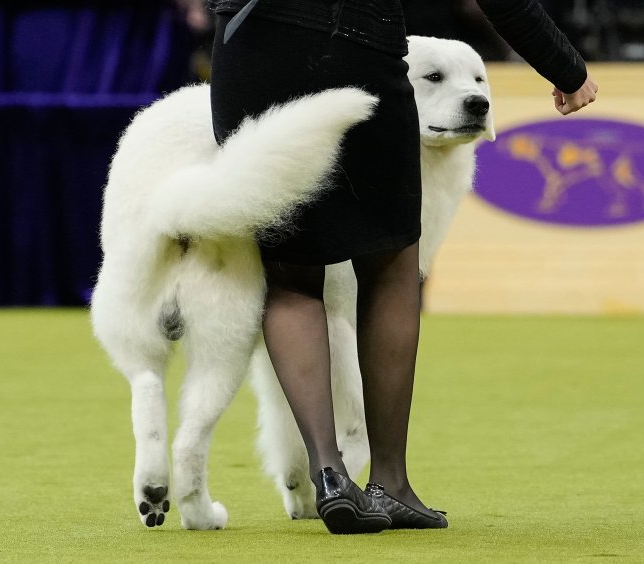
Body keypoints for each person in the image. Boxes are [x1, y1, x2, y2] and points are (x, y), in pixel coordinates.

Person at [207, 0, 597, 534]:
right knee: (390, 267)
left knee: (290, 276)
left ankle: (329, 472)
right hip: (355, 42)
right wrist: (564, 66)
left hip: (246, 50)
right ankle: (389, 482)